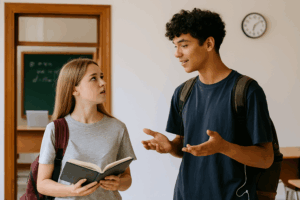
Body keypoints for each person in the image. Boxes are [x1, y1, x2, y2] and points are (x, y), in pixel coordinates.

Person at [142, 8, 274, 200]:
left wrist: (224, 147)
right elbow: (185, 148)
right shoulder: (182, 93)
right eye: (175, 46)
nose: (177, 54)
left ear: (209, 43)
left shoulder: (246, 91)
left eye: (184, 45)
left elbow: (266, 159)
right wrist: (171, 147)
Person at [37, 58, 136, 200]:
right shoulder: (56, 129)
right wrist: (71, 191)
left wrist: (119, 183)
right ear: (74, 89)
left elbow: (127, 180)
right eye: (93, 78)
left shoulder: (118, 128)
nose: (103, 83)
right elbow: (42, 184)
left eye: (101, 77)